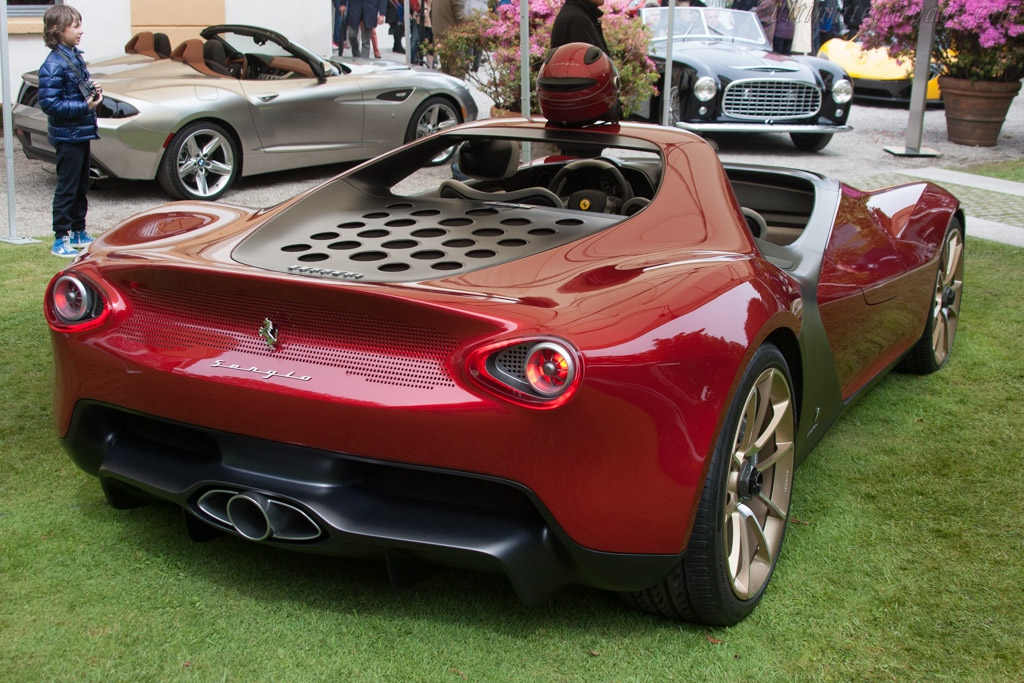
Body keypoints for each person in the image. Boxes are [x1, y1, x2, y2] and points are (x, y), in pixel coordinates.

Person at [38, 4, 102, 258]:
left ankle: (78, 231)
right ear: (57, 29)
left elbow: (72, 89)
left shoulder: (73, 56)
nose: (81, 31)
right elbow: (49, 104)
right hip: (68, 136)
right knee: (67, 186)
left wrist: (90, 87)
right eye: (75, 26)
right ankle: (60, 238)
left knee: (81, 184)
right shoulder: (53, 64)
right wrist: (84, 105)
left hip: (81, 132)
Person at [431, 0, 465, 74]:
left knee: (446, 71)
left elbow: (431, 13)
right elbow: (461, 16)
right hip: (452, 37)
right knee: (457, 72)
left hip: (439, 35)